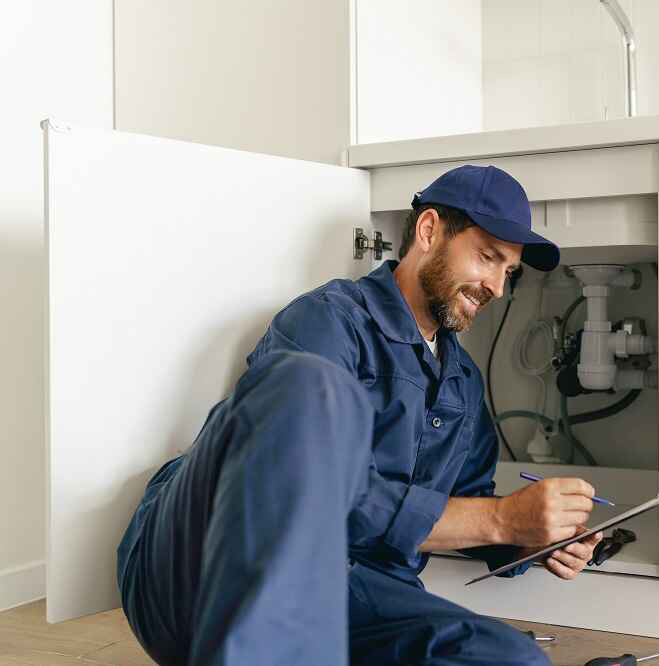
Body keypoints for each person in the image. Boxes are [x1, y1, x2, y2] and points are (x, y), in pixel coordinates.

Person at [116, 165, 602, 665]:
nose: (497, 287)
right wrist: (500, 519)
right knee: (306, 382)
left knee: (517, 660)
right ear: (429, 231)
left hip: (353, 593)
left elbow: (468, 511)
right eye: (487, 257)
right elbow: (315, 489)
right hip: (203, 569)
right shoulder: (328, 320)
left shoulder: (463, 382)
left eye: (509, 272)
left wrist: (531, 537)